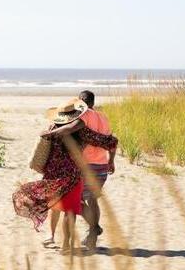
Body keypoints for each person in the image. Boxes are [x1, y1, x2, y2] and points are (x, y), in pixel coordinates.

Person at [13, 98, 117, 252]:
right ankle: (68, 244)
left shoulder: (52, 128)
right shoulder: (81, 131)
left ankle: (56, 236)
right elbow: (110, 142)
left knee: (58, 206)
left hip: (53, 175)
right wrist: (111, 157)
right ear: (76, 115)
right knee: (71, 211)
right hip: (72, 175)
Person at [42, 90, 115, 249]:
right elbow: (112, 141)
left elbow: (70, 129)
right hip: (100, 166)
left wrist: (49, 133)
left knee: (72, 204)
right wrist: (111, 161)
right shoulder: (102, 118)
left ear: (81, 102)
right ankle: (91, 236)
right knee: (91, 200)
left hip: (81, 167)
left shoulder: (81, 117)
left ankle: (89, 230)